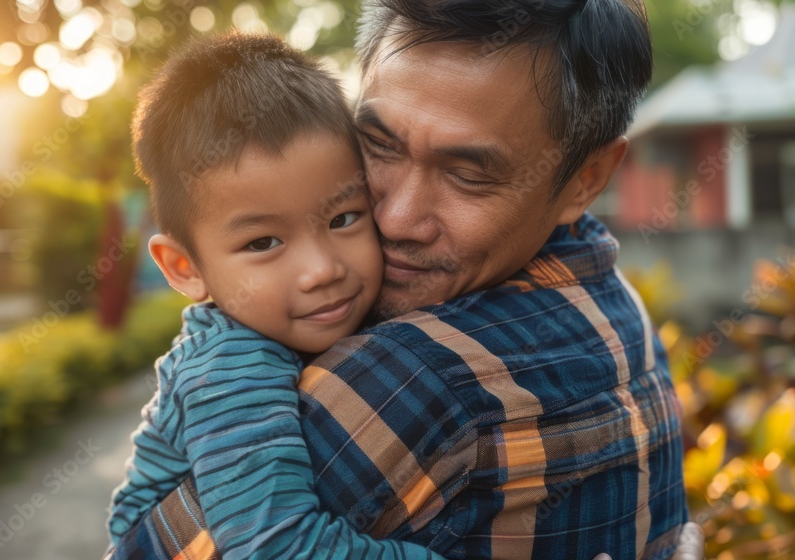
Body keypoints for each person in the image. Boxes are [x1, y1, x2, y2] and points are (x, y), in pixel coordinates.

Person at [108, 0, 704, 558]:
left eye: (469, 175)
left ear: (586, 178)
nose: (393, 220)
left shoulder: (411, 378)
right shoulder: (613, 295)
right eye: (378, 145)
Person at [106, 32, 447, 560]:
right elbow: (278, 548)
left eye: (343, 218)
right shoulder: (230, 368)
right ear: (186, 268)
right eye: (263, 242)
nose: (321, 270)